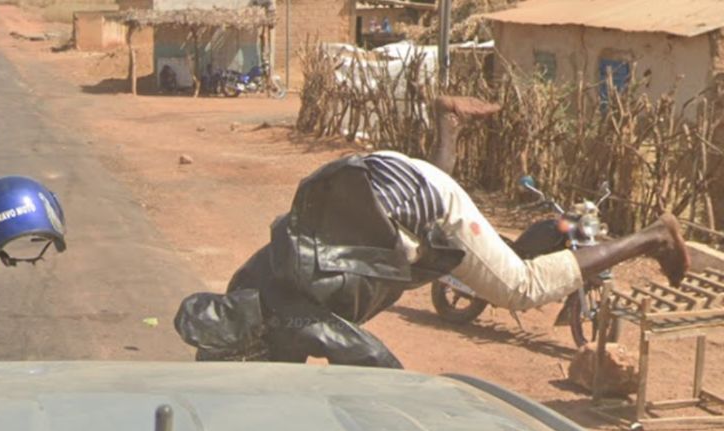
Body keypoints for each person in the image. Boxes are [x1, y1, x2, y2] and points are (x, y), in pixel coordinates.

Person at [174, 96, 690, 368]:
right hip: (374, 174)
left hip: (418, 203)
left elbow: (374, 360)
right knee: (428, 258)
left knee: (521, 287)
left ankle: (653, 236)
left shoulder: (290, 321)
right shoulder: (247, 285)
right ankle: (448, 123)